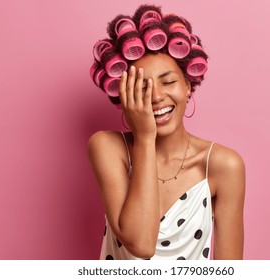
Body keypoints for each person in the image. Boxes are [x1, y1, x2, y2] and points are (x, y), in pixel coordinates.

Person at [87, 4, 245, 260]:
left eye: (168, 81)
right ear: (124, 95)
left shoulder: (222, 165)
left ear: (188, 86)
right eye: (141, 87)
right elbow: (141, 244)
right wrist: (145, 138)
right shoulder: (107, 147)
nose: (157, 97)